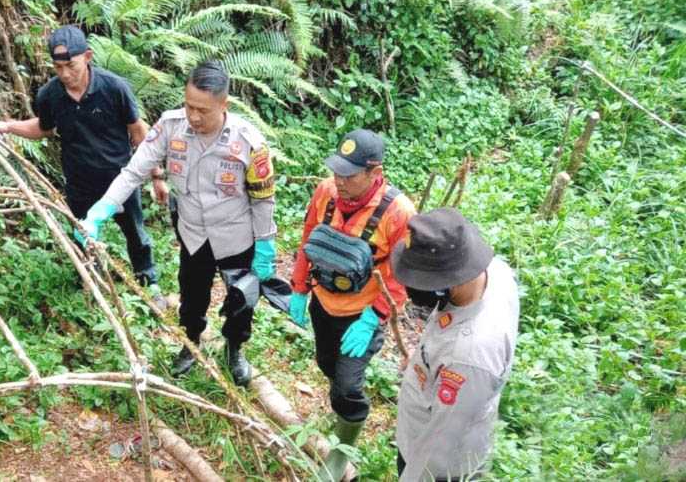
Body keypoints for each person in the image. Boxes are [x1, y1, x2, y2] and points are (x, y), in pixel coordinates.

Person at [77, 60, 277, 386]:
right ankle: (190, 345)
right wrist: (101, 210)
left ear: (223, 105)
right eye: (188, 106)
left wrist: (266, 243)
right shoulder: (171, 127)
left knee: (242, 301)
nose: (194, 116)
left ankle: (235, 348)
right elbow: (133, 172)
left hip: (236, 237)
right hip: (194, 234)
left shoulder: (249, 143)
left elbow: (263, 199)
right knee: (191, 297)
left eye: (203, 110)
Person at [0, 25, 162, 286]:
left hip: (120, 178)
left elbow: (139, 132)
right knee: (82, 233)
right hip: (79, 181)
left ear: (88, 57)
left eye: (71, 65)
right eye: (58, 68)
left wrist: (157, 176)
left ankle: (148, 282)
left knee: (135, 233)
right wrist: (8, 126)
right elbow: (43, 128)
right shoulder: (50, 95)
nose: (65, 74)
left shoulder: (114, 88)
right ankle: (90, 281)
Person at [288, 129, 416, 481]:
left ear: (374, 173)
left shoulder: (398, 213)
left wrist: (374, 316)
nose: (339, 182)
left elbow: (402, 274)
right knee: (326, 363)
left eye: (349, 175)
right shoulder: (326, 192)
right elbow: (308, 236)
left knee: (347, 385)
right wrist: (299, 287)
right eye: (336, 172)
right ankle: (342, 411)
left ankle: (342, 454)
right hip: (324, 301)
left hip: (362, 313)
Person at [390, 208, 520, 481]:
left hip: (438, 467)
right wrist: (425, 360)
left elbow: (439, 449)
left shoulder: (469, 356)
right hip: (428, 426)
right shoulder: (492, 272)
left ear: (450, 281)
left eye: (419, 281)